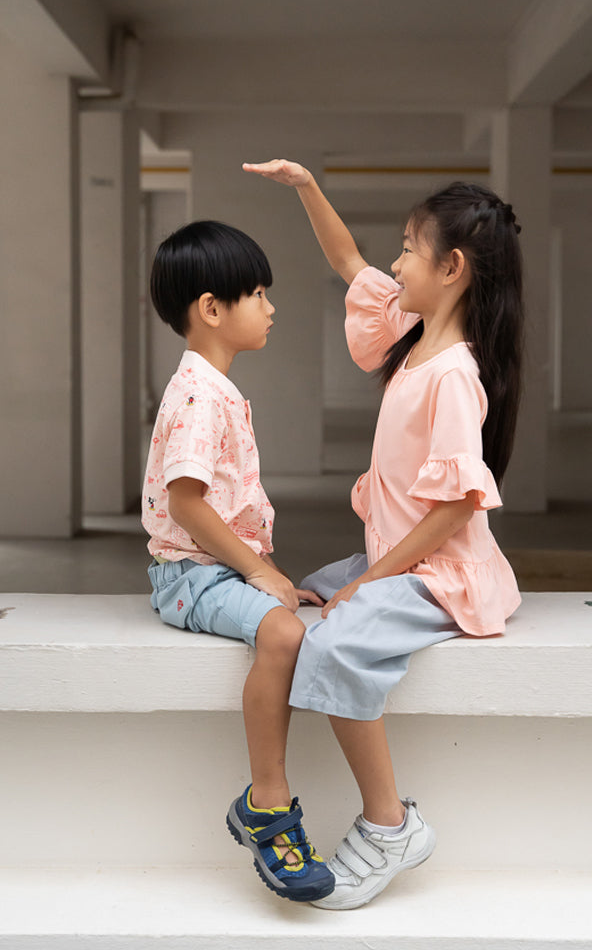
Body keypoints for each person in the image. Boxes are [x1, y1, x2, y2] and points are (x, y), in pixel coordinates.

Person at [243, 159, 524, 910]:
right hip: (395, 559)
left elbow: (456, 507)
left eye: (407, 248)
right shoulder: (413, 334)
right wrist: (306, 187)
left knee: (335, 639)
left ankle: (388, 823)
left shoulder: (454, 374)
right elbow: (346, 262)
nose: (393, 262)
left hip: (440, 570)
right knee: (298, 604)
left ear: (453, 267)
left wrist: (370, 582)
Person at [141, 220, 334, 903]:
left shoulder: (212, 386)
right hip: (190, 577)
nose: (271, 306)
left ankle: (268, 799)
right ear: (212, 309)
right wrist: (259, 575)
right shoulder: (198, 395)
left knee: (308, 605)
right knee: (283, 630)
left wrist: (267, 572)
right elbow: (187, 504)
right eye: (257, 292)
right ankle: (267, 804)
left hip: (214, 570)